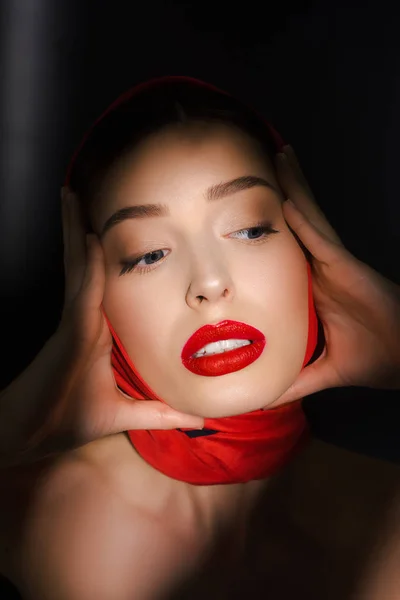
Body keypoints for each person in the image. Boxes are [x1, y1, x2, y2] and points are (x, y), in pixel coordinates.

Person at [0, 76, 399, 600]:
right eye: (148, 254)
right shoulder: (29, 509)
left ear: (310, 251)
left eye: (250, 229)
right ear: (91, 294)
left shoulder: (387, 513)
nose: (210, 284)